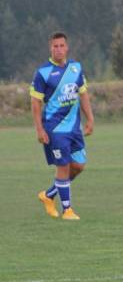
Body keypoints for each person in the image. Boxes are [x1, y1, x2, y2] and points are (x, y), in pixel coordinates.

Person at [30, 32, 94, 220]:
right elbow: (35, 103)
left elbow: (83, 95)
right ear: (50, 48)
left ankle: (48, 195)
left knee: (79, 166)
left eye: (61, 46)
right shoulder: (43, 73)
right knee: (63, 167)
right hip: (55, 129)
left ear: (67, 47)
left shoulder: (76, 68)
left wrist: (89, 118)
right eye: (55, 46)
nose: (58, 49)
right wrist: (39, 129)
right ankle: (67, 210)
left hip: (74, 128)